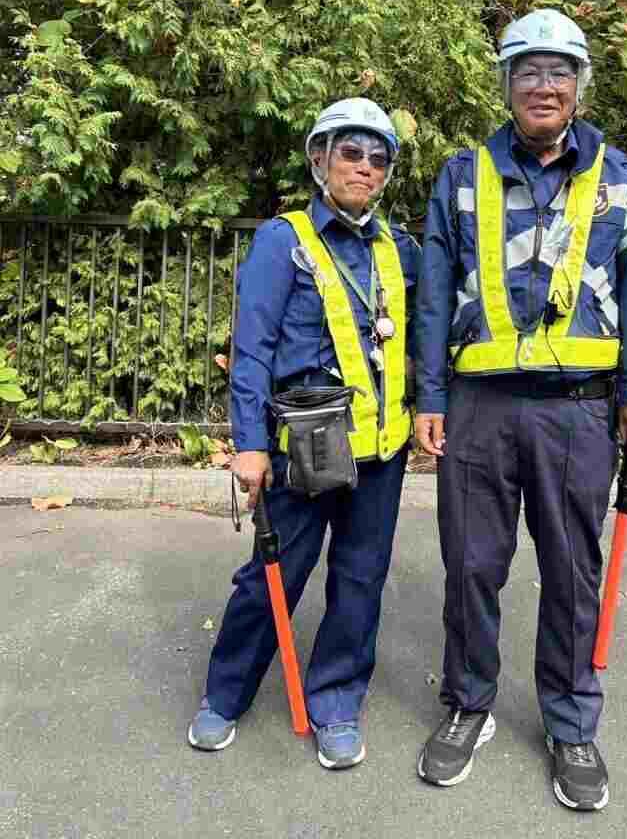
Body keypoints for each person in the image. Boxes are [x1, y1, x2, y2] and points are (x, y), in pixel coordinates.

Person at [413, 9, 627, 811]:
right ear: (508, 87)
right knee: (472, 568)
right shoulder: (461, 175)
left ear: (580, 87)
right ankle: (469, 704)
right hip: (480, 406)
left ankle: (569, 721)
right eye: (527, 73)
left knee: (571, 573)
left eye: (558, 73)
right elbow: (429, 296)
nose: (543, 86)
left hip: (577, 413)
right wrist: (428, 395)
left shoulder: (619, 176)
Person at [188, 97, 420, 770]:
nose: (366, 167)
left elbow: (408, 341)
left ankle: (337, 702)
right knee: (273, 576)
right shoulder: (282, 240)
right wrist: (250, 443)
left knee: (360, 579)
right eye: (352, 151)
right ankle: (224, 695)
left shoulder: (397, 247)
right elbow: (253, 347)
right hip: (304, 445)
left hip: (380, 452)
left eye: (379, 157)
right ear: (321, 159)